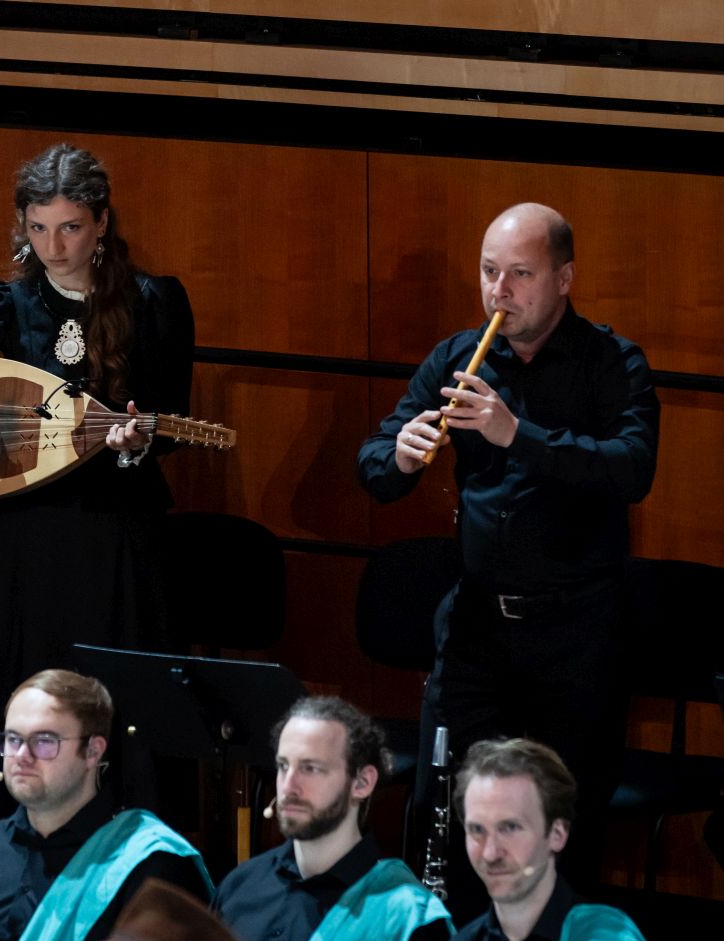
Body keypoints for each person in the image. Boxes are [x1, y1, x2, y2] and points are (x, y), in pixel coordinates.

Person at [0, 144, 194, 830]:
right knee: (21, 681)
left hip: (117, 539)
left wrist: (139, 441)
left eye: (71, 227)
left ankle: (117, 841)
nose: (54, 247)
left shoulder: (154, 301)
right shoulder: (12, 304)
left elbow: (171, 417)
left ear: (102, 222)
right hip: (24, 546)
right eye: (39, 228)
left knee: (111, 697)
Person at [355, 203, 659, 910]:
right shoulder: (458, 357)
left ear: (564, 278)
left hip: (576, 635)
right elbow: (373, 463)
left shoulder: (613, 363)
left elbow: (632, 468)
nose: (500, 291)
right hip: (477, 628)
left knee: (563, 823)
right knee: (448, 807)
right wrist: (399, 456)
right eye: (490, 272)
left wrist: (516, 433)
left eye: (520, 274)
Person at [0, 670, 211, 940]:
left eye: (44, 741)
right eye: (13, 739)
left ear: (93, 751)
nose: (22, 755)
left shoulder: (150, 866)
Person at [213, 696, 452, 941]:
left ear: (362, 782)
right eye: (283, 766)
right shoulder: (239, 886)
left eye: (310, 768)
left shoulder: (408, 917)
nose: (288, 787)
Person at [454, 738, 645, 940]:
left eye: (510, 828)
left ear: (557, 834)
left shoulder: (607, 934)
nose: (490, 853)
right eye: (477, 829)